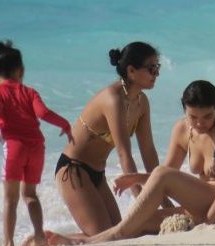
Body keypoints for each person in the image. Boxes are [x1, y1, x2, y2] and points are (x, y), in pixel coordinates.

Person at [34, 80, 215, 246]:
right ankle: (55, 242)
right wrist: (138, 178)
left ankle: (109, 236)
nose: (200, 123)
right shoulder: (182, 130)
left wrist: (205, 222)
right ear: (184, 111)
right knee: (138, 227)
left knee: (124, 228)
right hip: (202, 205)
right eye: (193, 117)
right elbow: (166, 176)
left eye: (207, 116)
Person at [54, 42, 162, 235]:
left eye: (158, 67)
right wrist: (142, 202)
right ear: (131, 71)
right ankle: (39, 243)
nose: (157, 74)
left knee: (117, 233)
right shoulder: (113, 100)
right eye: (152, 68)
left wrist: (161, 194)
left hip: (97, 173)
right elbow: (124, 154)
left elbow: (148, 151)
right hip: (73, 169)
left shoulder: (141, 102)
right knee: (105, 235)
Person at [0, 40, 74, 246]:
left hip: (14, 147)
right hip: (37, 147)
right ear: (21, 70)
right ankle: (40, 236)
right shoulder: (30, 92)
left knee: (10, 199)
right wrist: (64, 124)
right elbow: (43, 113)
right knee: (30, 195)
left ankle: (8, 245)